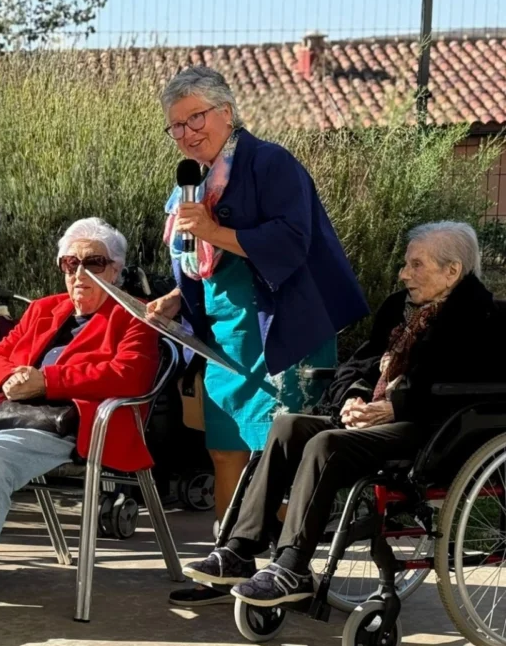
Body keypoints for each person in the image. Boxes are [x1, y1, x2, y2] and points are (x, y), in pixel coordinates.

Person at [183, 222, 505, 606]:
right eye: (405, 264)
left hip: (434, 431)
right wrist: (352, 396)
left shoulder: (486, 320)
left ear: (452, 271)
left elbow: (470, 389)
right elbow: (360, 363)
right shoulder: (397, 308)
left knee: (327, 443)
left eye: (416, 265)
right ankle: (239, 548)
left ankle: (292, 566)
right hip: (378, 421)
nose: (404, 274)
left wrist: (395, 406)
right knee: (287, 426)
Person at [145, 65, 369, 607]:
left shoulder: (272, 164)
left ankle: (287, 568)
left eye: (195, 118)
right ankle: (229, 561)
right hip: (224, 336)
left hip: (283, 332)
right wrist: (176, 300)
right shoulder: (189, 186)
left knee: (281, 454)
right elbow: (199, 265)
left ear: (226, 110)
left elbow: (291, 242)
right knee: (226, 451)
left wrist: (214, 230)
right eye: (176, 126)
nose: (186, 133)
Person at [0, 218, 160, 624]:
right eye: (71, 263)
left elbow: (129, 375)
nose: (80, 273)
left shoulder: (133, 316)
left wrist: (47, 381)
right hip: (14, 413)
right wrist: (8, 379)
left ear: (115, 269)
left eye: (94, 262)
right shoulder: (43, 310)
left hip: (75, 423)